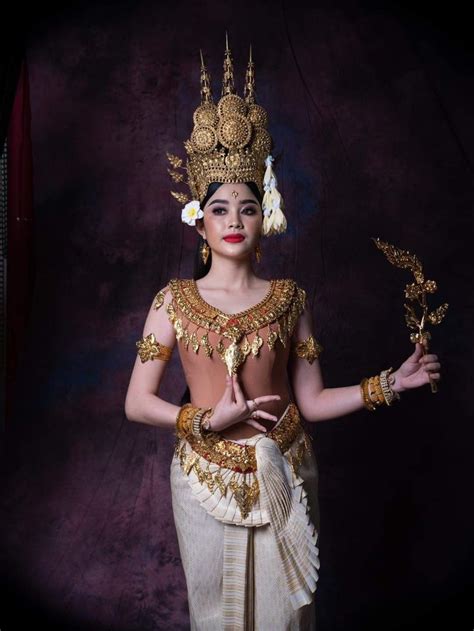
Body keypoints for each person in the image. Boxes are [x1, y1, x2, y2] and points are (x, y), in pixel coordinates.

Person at [124, 39, 441, 631]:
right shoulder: (172, 301)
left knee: (287, 618)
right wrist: (204, 422)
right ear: (200, 220)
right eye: (220, 209)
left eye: (247, 207)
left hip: (287, 467)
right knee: (214, 616)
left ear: (264, 212)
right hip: (202, 475)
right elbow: (136, 402)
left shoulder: (290, 298)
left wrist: (389, 384)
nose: (235, 221)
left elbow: (312, 401)